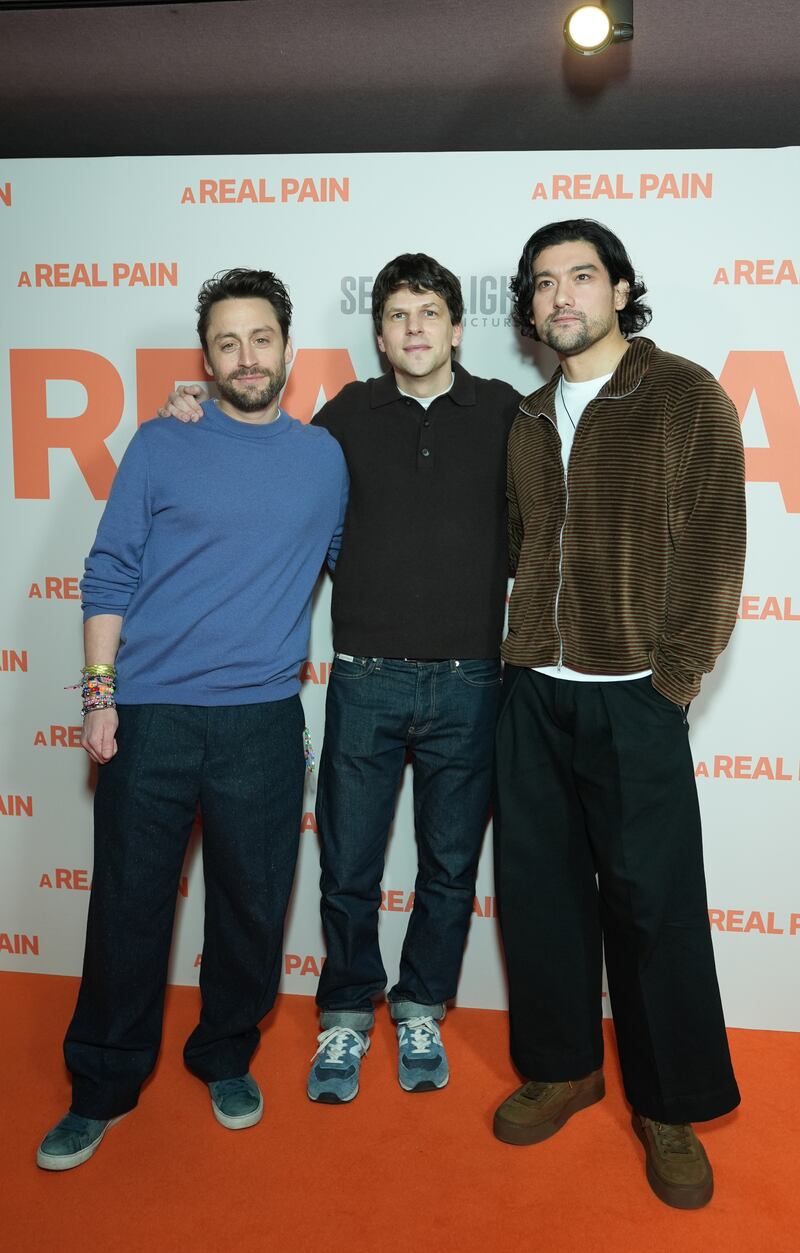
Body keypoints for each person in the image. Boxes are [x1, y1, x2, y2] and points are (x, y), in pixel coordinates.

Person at [159, 254, 521, 1102]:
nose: (415, 328)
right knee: (348, 864)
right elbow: (263, 454)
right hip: (364, 681)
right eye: (397, 315)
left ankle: (422, 1003)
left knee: (450, 864)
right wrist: (193, 409)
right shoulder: (347, 415)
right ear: (380, 333)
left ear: (457, 327)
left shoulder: (507, 410)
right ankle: (347, 1016)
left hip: (471, 682)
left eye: (430, 312)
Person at [36, 269, 348, 1171]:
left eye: (260, 339)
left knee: (251, 910)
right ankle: (101, 1084)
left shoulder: (324, 458)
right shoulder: (159, 443)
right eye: (225, 342)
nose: (245, 357)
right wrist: (99, 694)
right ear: (205, 357)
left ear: (286, 348)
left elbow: (357, 561)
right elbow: (108, 574)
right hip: (151, 716)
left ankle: (223, 1054)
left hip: (260, 720)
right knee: (127, 907)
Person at [492, 219, 745, 1210]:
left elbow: (717, 549)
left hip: (632, 697)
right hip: (531, 693)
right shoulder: (520, 417)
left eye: (580, 276)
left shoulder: (682, 394)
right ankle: (563, 1064)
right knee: (541, 894)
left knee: (653, 908)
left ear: (619, 287)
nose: (561, 296)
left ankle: (667, 1102)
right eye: (543, 282)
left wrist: (669, 682)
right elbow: (516, 544)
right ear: (528, 307)